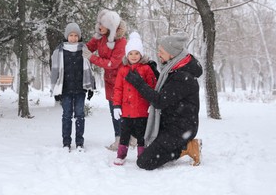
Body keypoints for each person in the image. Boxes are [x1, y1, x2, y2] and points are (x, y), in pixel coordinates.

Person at [125, 34, 203, 170]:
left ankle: (187, 147)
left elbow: (160, 101)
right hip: (170, 122)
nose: (158, 54)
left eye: (161, 51)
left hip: (180, 128)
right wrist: (154, 71)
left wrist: (138, 83)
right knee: (143, 133)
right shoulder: (176, 68)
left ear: (172, 54)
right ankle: (172, 146)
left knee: (144, 162)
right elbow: (168, 89)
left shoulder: (183, 76)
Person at [82, 9, 127, 151]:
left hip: (122, 82)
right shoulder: (100, 38)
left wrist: (91, 57)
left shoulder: (121, 42)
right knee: (113, 111)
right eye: (99, 23)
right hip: (109, 81)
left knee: (122, 111)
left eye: (102, 24)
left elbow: (112, 63)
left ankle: (128, 138)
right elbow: (87, 47)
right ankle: (119, 139)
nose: (99, 26)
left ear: (111, 27)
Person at [112, 32, 157, 165]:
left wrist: (151, 104)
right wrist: (116, 105)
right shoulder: (122, 70)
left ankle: (141, 155)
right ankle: (121, 155)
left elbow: (152, 87)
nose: (133, 56)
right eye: (131, 53)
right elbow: (118, 89)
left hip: (142, 110)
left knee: (141, 135)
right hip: (126, 111)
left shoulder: (146, 69)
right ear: (127, 55)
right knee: (124, 134)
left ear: (141, 54)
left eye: (136, 53)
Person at [51, 22, 95, 152]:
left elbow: (89, 70)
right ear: (67, 36)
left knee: (80, 115)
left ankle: (80, 142)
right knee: (66, 115)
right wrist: (55, 90)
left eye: (76, 35)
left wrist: (91, 87)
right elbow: (55, 72)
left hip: (80, 89)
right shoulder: (59, 51)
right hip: (65, 89)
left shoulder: (84, 50)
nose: (74, 38)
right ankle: (66, 142)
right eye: (71, 35)